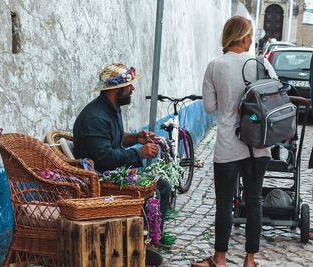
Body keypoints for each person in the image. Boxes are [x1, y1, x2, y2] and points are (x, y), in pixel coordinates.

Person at [191, 16, 273, 267]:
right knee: (255, 200)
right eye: (249, 35)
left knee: (225, 204)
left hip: (228, 144)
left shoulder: (215, 65)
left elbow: (209, 107)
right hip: (259, 143)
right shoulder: (261, 64)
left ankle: (220, 259)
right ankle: (249, 260)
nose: (251, 40)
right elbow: (274, 96)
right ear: (244, 36)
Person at [73, 63, 171, 232]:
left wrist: (135, 138)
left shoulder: (111, 109)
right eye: (128, 85)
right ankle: (143, 243)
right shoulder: (95, 118)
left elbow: (115, 139)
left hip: (113, 172)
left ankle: (150, 239)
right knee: (157, 189)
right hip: (100, 180)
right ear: (115, 89)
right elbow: (106, 158)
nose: (132, 88)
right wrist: (139, 152)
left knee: (162, 185)